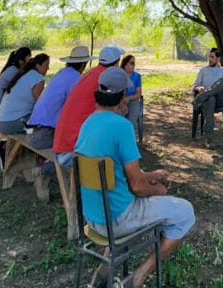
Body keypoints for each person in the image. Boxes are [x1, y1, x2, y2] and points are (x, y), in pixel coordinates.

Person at [75, 67, 195, 288]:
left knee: (121, 198)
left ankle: (103, 273)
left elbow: (115, 174)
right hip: (118, 220)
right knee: (185, 212)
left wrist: (152, 175)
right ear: (122, 96)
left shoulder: (87, 123)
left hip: (92, 218)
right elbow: (138, 188)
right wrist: (157, 189)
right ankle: (138, 278)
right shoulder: (122, 126)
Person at [52, 45, 124, 167]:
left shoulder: (90, 74)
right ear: (117, 63)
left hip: (61, 145)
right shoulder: (104, 79)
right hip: (71, 153)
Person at [26, 46, 95, 150]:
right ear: (83, 64)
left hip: (31, 131)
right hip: (42, 135)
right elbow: (76, 107)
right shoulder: (75, 77)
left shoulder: (62, 72)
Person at [0, 53, 50, 134]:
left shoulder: (24, 74)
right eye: (46, 65)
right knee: (46, 124)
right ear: (38, 66)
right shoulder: (38, 78)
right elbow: (40, 105)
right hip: (10, 124)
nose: (48, 68)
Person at [191, 47, 223, 147]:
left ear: (218, 59)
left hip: (220, 99)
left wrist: (218, 89)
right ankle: (209, 139)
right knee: (211, 98)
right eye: (209, 57)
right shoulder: (203, 70)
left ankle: (200, 98)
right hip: (207, 100)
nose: (209, 59)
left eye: (212, 57)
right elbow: (194, 85)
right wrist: (199, 88)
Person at [0, 47, 31, 124]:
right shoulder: (13, 71)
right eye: (28, 59)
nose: (29, 62)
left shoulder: (13, 69)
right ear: (21, 61)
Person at [121, 54, 143, 142]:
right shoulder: (119, 75)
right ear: (125, 64)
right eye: (131, 63)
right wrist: (122, 101)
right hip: (120, 101)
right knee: (118, 118)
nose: (134, 65)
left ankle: (129, 141)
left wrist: (129, 98)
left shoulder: (137, 76)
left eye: (134, 63)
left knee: (131, 122)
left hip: (133, 100)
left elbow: (138, 94)